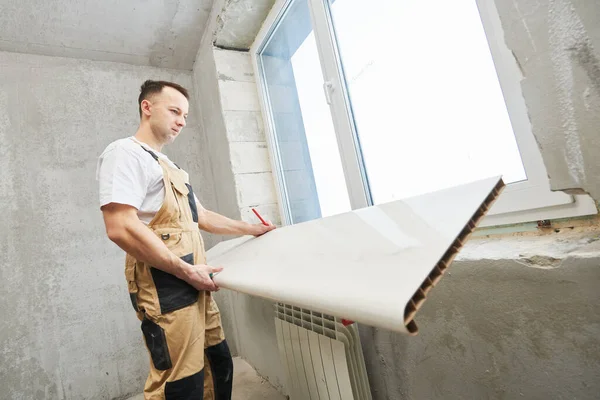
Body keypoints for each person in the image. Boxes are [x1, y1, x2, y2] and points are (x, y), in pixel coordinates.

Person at [97, 80, 275, 400]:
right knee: (179, 382)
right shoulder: (124, 153)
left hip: (193, 279)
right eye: (174, 111)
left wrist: (250, 229)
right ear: (147, 107)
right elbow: (120, 226)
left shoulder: (169, 166)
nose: (181, 120)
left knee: (217, 361)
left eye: (186, 115)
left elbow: (201, 217)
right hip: (166, 283)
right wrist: (183, 270)